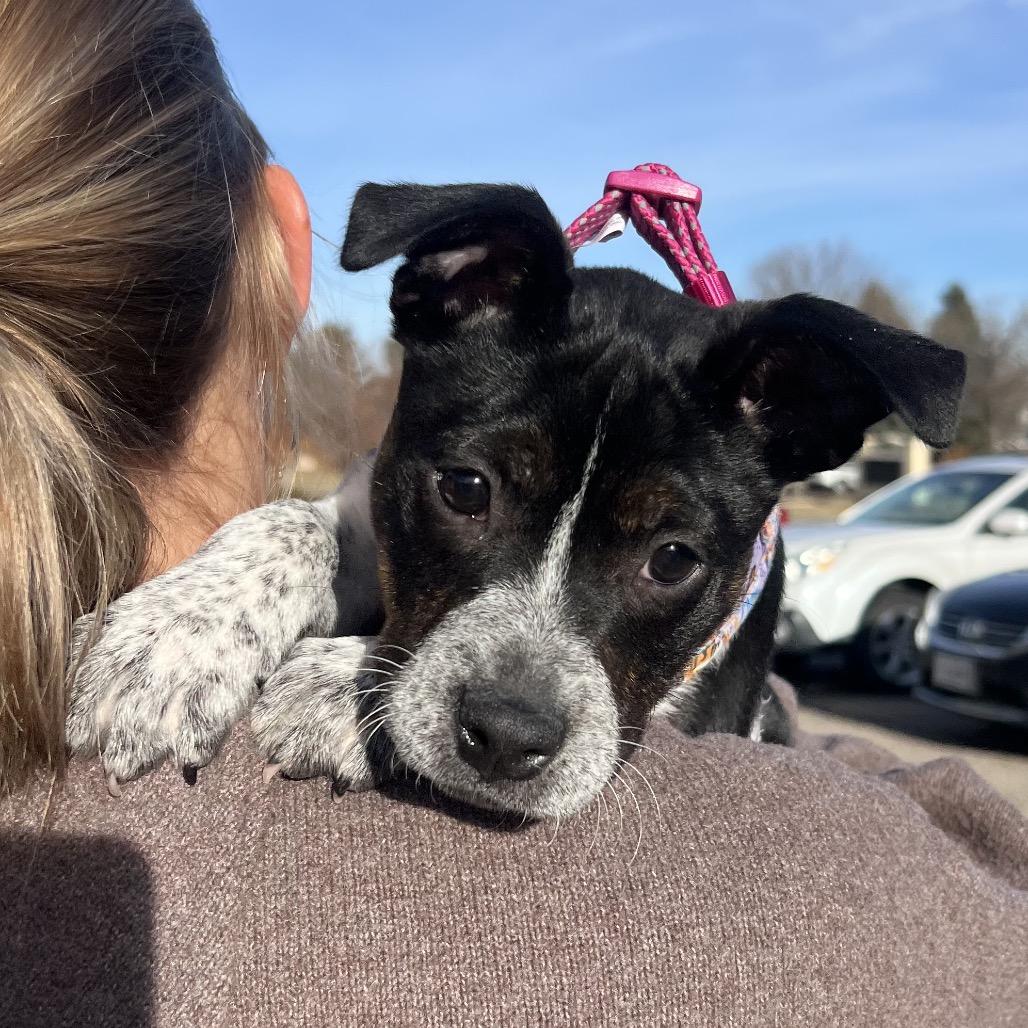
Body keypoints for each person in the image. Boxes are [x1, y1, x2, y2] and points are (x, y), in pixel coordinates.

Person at [1, 2, 1025, 1026]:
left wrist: (376, 680)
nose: (515, 699)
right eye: (469, 492)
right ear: (434, 292)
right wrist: (272, 571)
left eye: (665, 555)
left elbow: (739, 730)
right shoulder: (902, 896)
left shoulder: (740, 438)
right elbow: (358, 517)